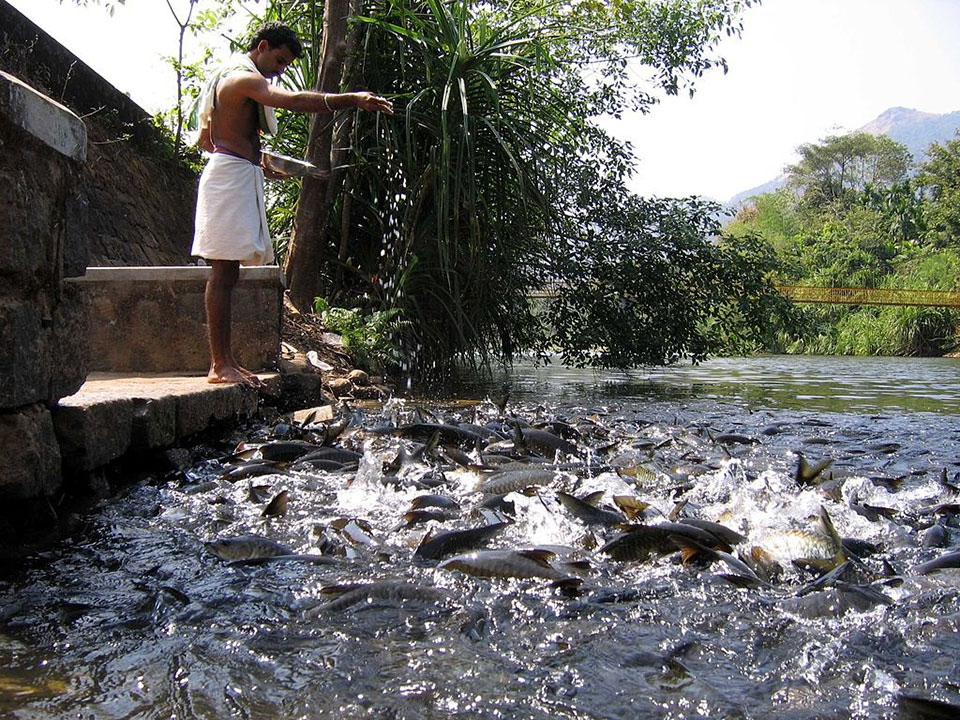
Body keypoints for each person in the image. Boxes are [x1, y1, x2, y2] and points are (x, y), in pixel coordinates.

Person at [190, 21, 393, 386]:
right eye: (279, 60)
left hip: (236, 174)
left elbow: (213, 139)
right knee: (222, 273)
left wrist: (260, 162)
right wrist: (351, 99)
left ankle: (226, 361)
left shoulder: (236, 79)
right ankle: (219, 364)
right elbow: (294, 101)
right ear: (263, 46)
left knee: (229, 273)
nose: (280, 70)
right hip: (227, 179)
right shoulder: (241, 79)